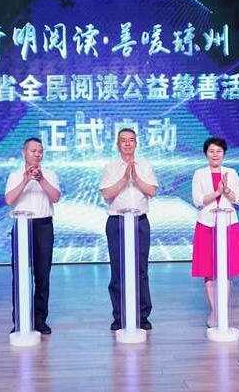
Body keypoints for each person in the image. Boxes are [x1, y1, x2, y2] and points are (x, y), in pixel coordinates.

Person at [100, 129, 159, 331]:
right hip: (117, 222)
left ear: (136, 143)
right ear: (118, 145)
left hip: (139, 221)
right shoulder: (110, 167)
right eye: (123, 141)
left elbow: (151, 191)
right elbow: (107, 194)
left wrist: (136, 177)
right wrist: (125, 178)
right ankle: (120, 316)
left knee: (141, 269)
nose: (127, 144)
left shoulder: (145, 165)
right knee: (118, 270)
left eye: (131, 140)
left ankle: (142, 316)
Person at [4, 137, 61, 335]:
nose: (37, 154)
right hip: (21, 226)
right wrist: (26, 180)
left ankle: (40, 319)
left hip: (43, 226)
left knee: (42, 275)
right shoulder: (14, 175)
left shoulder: (50, 174)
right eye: (33, 151)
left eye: (40, 151)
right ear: (24, 153)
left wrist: (41, 179)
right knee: (20, 275)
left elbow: (55, 197)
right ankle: (20, 319)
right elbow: (9, 200)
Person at [191, 137, 239, 328]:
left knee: (226, 269)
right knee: (208, 270)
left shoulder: (232, 173)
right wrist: (217, 192)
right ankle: (215, 312)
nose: (215, 155)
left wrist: (227, 190)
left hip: (228, 224)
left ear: (224, 154)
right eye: (211, 151)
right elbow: (197, 201)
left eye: (219, 151)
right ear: (206, 154)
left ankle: (222, 309)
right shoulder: (199, 174)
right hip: (206, 224)